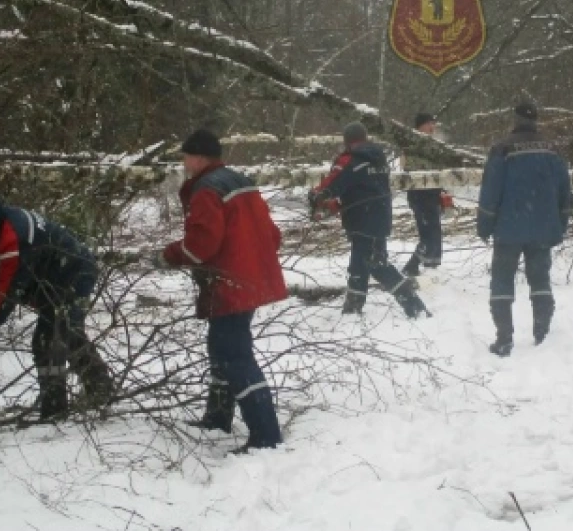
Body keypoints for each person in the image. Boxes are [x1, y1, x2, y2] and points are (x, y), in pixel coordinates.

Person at [152, 129, 287, 452]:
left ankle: (266, 433)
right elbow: (274, 235)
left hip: (230, 282)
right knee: (221, 348)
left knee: (234, 355)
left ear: (199, 158)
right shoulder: (241, 181)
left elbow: (202, 245)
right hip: (250, 278)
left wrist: (168, 255)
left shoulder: (206, 190)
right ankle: (217, 417)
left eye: (186, 157)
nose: (184, 163)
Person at [0, 191, 113, 421]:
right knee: (69, 334)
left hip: (73, 273)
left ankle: (55, 410)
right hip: (52, 279)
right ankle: (101, 389)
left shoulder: (12, 237)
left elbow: (6, 293)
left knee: (48, 339)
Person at [476, 101, 572, 356]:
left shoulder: (502, 149)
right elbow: (565, 190)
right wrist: (560, 223)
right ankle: (541, 331)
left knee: (502, 279)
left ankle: (504, 338)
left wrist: (484, 225)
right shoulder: (552, 149)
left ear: (515, 120)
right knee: (540, 278)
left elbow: (490, 191)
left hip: (508, 228)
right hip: (542, 227)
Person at [311, 122, 429, 318]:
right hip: (379, 218)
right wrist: (338, 205)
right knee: (360, 264)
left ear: (347, 141)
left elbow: (334, 184)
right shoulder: (378, 160)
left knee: (376, 264)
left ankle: (412, 303)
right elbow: (364, 190)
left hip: (362, 221)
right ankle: (353, 308)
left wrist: (318, 195)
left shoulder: (350, 160)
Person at [401, 112, 454, 278]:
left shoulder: (433, 144)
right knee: (428, 232)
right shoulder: (411, 145)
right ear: (420, 126)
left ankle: (432, 265)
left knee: (434, 230)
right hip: (419, 194)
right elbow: (408, 168)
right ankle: (414, 265)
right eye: (429, 124)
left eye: (434, 124)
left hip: (433, 193)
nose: (432, 127)